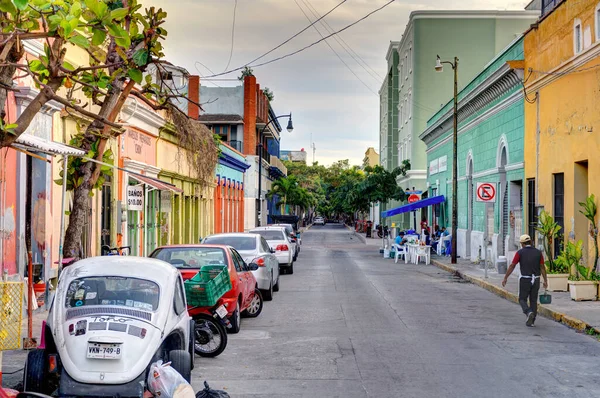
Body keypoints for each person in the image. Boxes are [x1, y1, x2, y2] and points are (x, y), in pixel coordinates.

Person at [502, 234, 548, 327]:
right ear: (530, 242)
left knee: (522, 299)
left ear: (522, 244)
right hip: (536, 279)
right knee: (533, 300)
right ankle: (532, 321)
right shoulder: (538, 253)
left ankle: (528, 312)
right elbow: (542, 267)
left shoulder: (520, 253)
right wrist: (545, 280)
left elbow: (512, 265)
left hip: (525, 279)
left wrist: (506, 277)